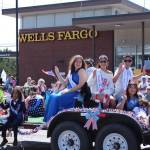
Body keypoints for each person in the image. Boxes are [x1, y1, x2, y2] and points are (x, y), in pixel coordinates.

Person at [44, 55, 87, 122]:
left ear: (82, 63)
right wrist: (57, 73)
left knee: (56, 98)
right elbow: (65, 83)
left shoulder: (81, 71)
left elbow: (80, 85)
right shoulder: (70, 71)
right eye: (76, 62)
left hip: (76, 93)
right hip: (68, 91)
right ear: (73, 62)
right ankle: (49, 120)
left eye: (80, 62)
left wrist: (68, 91)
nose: (78, 63)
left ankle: (53, 121)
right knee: (52, 96)